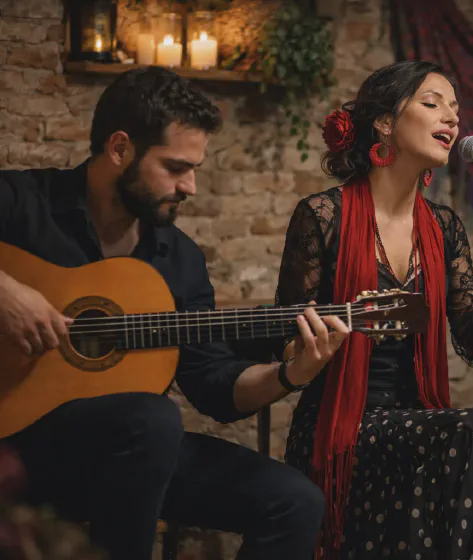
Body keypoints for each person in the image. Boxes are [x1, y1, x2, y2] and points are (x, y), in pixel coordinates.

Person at [0, 67, 325, 560]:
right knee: (151, 417)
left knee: (294, 501)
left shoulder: (180, 259)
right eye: (175, 168)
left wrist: (291, 372)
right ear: (119, 149)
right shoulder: (23, 204)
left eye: (194, 168)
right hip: (20, 446)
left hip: (132, 458)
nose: (190, 186)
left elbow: (214, 385)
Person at [269, 60, 473, 559]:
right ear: (385, 122)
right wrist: (311, 349)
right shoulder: (323, 216)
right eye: (433, 103)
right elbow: (285, 338)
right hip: (341, 424)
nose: (452, 119)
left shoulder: (443, 226)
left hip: (418, 422)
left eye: (455, 108)